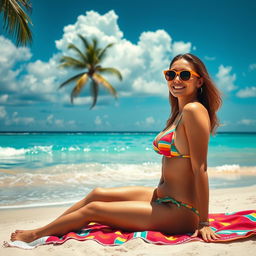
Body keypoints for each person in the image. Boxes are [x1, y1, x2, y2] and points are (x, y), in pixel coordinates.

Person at [11, 53, 222, 243]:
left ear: (199, 80)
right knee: (96, 194)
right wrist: (159, 190)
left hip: (181, 210)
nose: (176, 79)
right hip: (162, 197)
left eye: (185, 75)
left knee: (94, 210)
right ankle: (52, 228)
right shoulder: (178, 113)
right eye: (171, 74)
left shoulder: (194, 110)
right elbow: (169, 163)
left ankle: (36, 234)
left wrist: (203, 222)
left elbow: (200, 168)